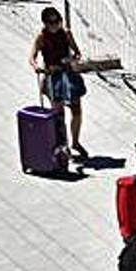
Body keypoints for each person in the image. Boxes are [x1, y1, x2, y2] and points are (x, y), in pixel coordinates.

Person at [28, 7, 88, 159]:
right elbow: (32, 57)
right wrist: (37, 67)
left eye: (57, 21)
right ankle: (63, 146)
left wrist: (72, 58)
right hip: (53, 79)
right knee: (59, 115)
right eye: (51, 22)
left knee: (76, 111)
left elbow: (77, 53)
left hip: (68, 75)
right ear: (45, 23)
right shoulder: (41, 37)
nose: (55, 25)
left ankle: (75, 141)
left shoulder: (66, 33)